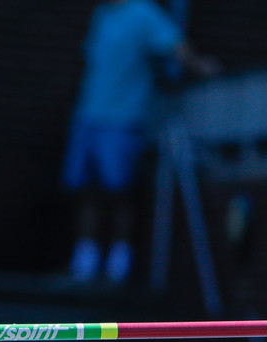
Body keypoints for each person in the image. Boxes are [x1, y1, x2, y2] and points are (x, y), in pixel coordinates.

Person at [63, 0, 217, 283]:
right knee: (85, 188)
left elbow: (176, 45)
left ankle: (119, 262)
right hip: (88, 115)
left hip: (123, 119)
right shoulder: (102, 15)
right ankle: (85, 258)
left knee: (119, 190)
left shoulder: (144, 13)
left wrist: (199, 66)